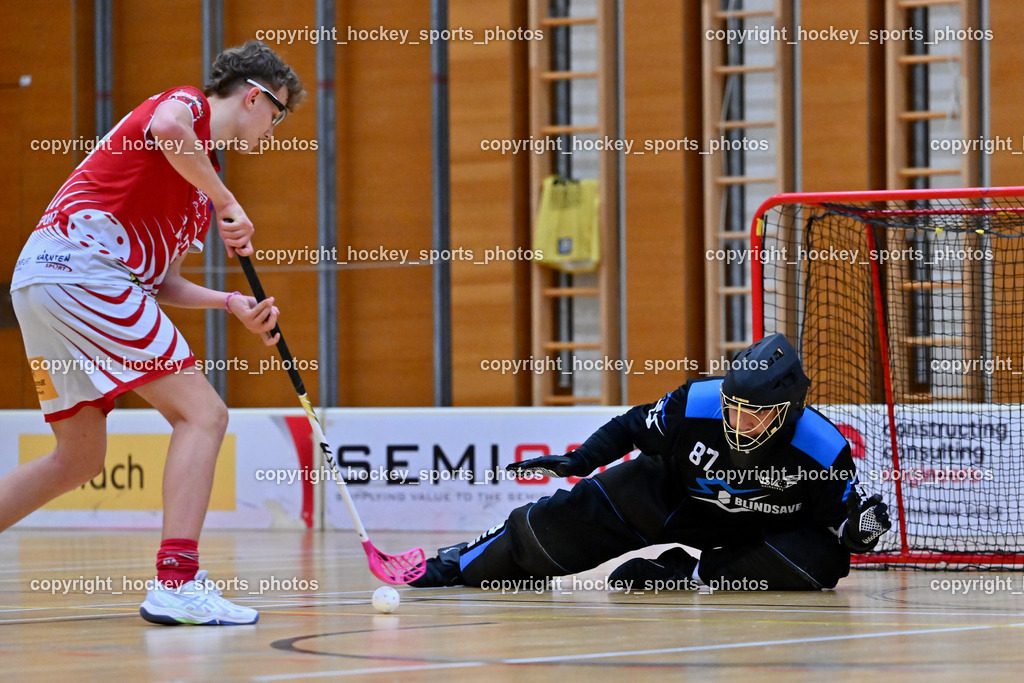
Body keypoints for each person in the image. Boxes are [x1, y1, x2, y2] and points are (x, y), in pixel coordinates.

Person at [5, 41, 304, 625]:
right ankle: (178, 581)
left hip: (43, 283)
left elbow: (159, 280)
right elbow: (168, 126)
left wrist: (230, 303)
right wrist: (227, 202)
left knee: (78, 458)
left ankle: (178, 581)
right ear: (253, 97)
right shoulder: (184, 108)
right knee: (205, 414)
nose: (275, 128)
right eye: (279, 112)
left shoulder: (199, 180)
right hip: (81, 271)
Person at [410, 333, 891, 592]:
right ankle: (459, 564)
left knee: (821, 566)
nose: (738, 422)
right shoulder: (697, 401)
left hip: (754, 539)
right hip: (672, 498)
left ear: (788, 410)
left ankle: (687, 574)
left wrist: (861, 533)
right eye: (734, 409)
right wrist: (580, 460)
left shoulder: (822, 448)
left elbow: (839, 530)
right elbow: (631, 426)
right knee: (555, 526)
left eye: (754, 414)